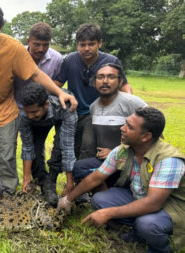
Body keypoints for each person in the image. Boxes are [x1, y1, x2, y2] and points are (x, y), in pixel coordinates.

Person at [0, 3, 77, 195]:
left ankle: (7, 192)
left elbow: (35, 74)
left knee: (7, 154)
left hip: (5, 109)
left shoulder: (13, 47)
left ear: (0, 27)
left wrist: (59, 92)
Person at [58, 107, 185, 253]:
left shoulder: (168, 160)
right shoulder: (124, 149)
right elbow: (96, 177)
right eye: (125, 123)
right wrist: (68, 199)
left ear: (146, 136)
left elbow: (153, 203)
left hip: (171, 207)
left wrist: (107, 213)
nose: (122, 128)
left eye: (129, 127)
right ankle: (138, 232)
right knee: (100, 200)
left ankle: (159, 248)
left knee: (147, 224)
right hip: (140, 196)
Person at [54, 23, 133, 159]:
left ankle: (84, 177)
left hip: (98, 112)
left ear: (99, 43)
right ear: (77, 45)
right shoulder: (70, 60)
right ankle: (67, 175)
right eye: (82, 44)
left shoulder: (111, 61)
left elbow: (124, 85)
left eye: (91, 44)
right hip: (74, 111)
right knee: (66, 145)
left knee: (88, 145)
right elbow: (57, 84)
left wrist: (129, 104)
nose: (86, 48)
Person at [72, 63, 147, 195]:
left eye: (111, 77)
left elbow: (153, 137)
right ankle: (106, 193)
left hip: (132, 161)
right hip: (108, 163)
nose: (105, 81)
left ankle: (119, 194)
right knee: (79, 167)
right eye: (100, 77)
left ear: (120, 81)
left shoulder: (133, 103)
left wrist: (117, 153)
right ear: (94, 82)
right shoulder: (93, 107)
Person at [14, 22, 64, 191]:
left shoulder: (57, 59)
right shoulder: (17, 54)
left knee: (40, 143)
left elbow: (58, 83)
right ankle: (38, 180)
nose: (41, 49)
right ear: (28, 41)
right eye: (36, 44)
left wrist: (40, 99)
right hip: (20, 110)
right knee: (31, 146)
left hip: (44, 110)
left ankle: (46, 182)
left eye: (45, 44)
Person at [19, 83, 77, 206]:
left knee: (61, 146)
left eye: (34, 111)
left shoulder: (65, 105)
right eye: (27, 112)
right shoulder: (25, 114)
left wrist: (69, 182)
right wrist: (26, 179)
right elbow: (27, 147)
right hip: (37, 124)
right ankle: (42, 182)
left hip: (59, 117)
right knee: (35, 150)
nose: (30, 115)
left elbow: (68, 146)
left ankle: (51, 179)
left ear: (46, 104)